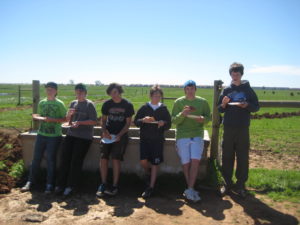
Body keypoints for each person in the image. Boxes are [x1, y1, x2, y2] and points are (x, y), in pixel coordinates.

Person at [218, 62, 259, 198]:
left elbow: (256, 106)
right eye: (233, 73)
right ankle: (227, 183)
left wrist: (247, 104)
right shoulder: (226, 90)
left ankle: (241, 184)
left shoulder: (248, 89)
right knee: (227, 156)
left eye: (237, 73)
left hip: (242, 128)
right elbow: (219, 109)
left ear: (241, 74)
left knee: (242, 157)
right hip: (228, 127)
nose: (235, 75)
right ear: (230, 74)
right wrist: (223, 104)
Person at [21, 82, 67, 194]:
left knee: (51, 160)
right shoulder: (42, 103)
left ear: (56, 91)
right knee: (36, 159)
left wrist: (51, 119)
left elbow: (64, 119)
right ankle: (30, 181)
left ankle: (49, 184)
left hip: (54, 136)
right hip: (41, 134)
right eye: (47, 89)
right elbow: (41, 116)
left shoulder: (60, 104)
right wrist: (37, 117)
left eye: (51, 89)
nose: (49, 91)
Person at [55, 83, 97, 197]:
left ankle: (71, 186)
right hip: (71, 134)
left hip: (84, 137)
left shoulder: (89, 105)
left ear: (85, 93)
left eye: (81, 92)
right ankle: (60, 185)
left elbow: (94, 121)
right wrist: (69, 116)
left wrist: (80, 123)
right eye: (77, 92)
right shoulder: (73, 103)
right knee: (64, 159)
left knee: (75, 161)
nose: (79, 94)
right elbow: (68, 121)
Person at [171, 80, 211, 202]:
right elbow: (174, 121)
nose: (190, 91)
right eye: (187, 89)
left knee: (195, 162)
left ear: (195, 89)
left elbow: (208, 117)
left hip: (197, 135)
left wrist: (203, 119)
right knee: (186, 163)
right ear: (185, 90)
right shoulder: (178, 102)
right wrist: (182, 114)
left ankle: (189, 188)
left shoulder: (202, 102)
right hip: (182, 135)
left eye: (192, 88)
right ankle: (191, 189)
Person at [96, 83, 134, 197]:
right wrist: (104, 131)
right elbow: (103, 120)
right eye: (111, 93)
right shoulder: (107, 104)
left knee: (116, 159)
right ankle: (103, 183)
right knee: (103, 158)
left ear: (120, 92)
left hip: (120, 136)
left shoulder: (127, 105)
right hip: (107, 136)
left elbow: (128, 124)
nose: (113, 95)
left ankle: (115, 185)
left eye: (115, 92)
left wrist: (120, 135)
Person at [134, 85, 171, 198]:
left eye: (159, 96)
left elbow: (169, 124)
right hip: (145, 139)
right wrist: (142, 120)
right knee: (143, 161)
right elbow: (136, 121)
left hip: (158, 140)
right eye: (155, 95)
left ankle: (151, 187)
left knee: (155, 162)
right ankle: (149, 174)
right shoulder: (144, 108)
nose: (157, 98)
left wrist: (163, 123)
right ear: (150, 96)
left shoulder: (163, 109)